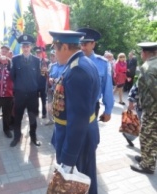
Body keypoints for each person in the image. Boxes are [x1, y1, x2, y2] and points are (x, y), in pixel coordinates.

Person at [49, 30, 100, 194]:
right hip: (79, 136)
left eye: (55, 49)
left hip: (76, 140)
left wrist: (68, 158)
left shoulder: (77, 70)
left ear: (64, 47)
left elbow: (78, 120)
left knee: (77, 185)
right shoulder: (81, 63)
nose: (54, 53)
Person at [130, 42, 157, 175]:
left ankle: (147, 165)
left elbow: (155, 90)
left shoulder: (147, 67)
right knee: (152, 135)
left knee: (147, 136)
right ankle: (148, 158)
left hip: (152, 109)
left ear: (144, 53)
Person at [10, 34, 41, 147]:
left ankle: (33, 137)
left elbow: (39, 76)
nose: (25, 48)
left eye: (27, 46)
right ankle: (17, 137)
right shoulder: (15, 59)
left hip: (32, 94)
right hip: (20, 94)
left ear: (31, 47)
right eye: (23, 46)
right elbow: (12, 76)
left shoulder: (37, 60)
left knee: (32, 117)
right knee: (18, 117)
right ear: (21, 47)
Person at [77, 28, 114, 122]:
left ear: (93, 44)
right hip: (74, 105)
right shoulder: (73, 61)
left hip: (92, 106)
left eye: (85, 44)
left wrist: (108, 110)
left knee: (90, 135)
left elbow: (107, 88)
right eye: (81, 44)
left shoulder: (103, 63)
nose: (82, 47)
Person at [33, 46, 49, 118]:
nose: (38, 54)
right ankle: (36, 112)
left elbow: (49, 72)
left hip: (43, 82)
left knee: (43, 99)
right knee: (35, 99)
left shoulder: (46, 61)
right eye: (37, 53)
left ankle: (44, 113)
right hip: (35, 83)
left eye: (39, 53)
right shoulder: (33, 61)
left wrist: (46, 71)